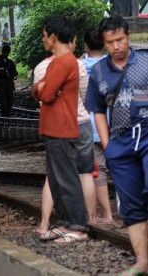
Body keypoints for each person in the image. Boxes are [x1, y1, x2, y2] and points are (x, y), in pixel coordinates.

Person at [85, 16, 148, 275]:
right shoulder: (99, 71)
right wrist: (109, 146)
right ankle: (143, 261)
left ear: (128, 36)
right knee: (131, 205)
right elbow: (97, 109)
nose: (116, 46)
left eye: (120, 40)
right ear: (104, 42)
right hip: (120, 143)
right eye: (110, 42)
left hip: (146, 133)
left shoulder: (145, 61)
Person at [34, 35, 98, 237]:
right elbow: (40, 91)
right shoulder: (60, 63)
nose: (43, 39)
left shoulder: (65, 62)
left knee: (67, 178)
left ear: (54, 37)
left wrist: (43, 89)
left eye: (45, 35)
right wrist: (42, 89)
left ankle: (78, 226)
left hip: (63, 126)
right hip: (60, 127)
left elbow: (45, 94)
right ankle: (65, 223)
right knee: (58, 179)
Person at [82, 28, 113, 224]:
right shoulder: (112, 65)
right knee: (121, 168)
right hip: (114, 126)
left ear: (85, 45)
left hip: (90, 127)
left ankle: (106, 214)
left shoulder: (79, 66)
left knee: (97, 171)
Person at [0, 45, 18, 117]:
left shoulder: (10, 62)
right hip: (2, 85)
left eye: (8, 53)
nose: (6, 54)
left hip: (9, 84)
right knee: (3, 100)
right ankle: (4, 113)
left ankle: (8, 112)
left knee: (10, 100)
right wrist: (0, 79)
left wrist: (12, 75)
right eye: (5, 53)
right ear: (3, 52)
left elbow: (15, 72)